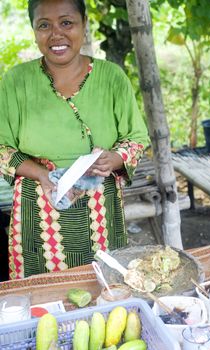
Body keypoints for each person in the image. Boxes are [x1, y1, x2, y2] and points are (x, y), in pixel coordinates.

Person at [0, 0, 149, 280]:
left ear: (84, 24)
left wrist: (114, 158)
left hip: (99, 206)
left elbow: (137, 138)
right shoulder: (16, 82)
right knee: (43, 297)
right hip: (38, 207)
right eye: (44, 25)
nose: (56, 34)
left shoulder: (111, 78)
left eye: (67, 23)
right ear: (34, 30)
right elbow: (1, 148)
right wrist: (42, 175)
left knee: (104, 288)